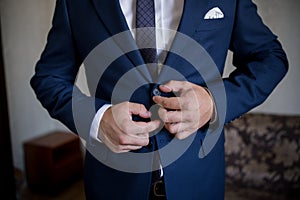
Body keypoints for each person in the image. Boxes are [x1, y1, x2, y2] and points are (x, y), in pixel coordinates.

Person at [30, 0, 288, 199]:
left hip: (198, 181)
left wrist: (213, 102)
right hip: (113, 183)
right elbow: (48, 77)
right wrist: (97, 119)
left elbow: (270, 58)